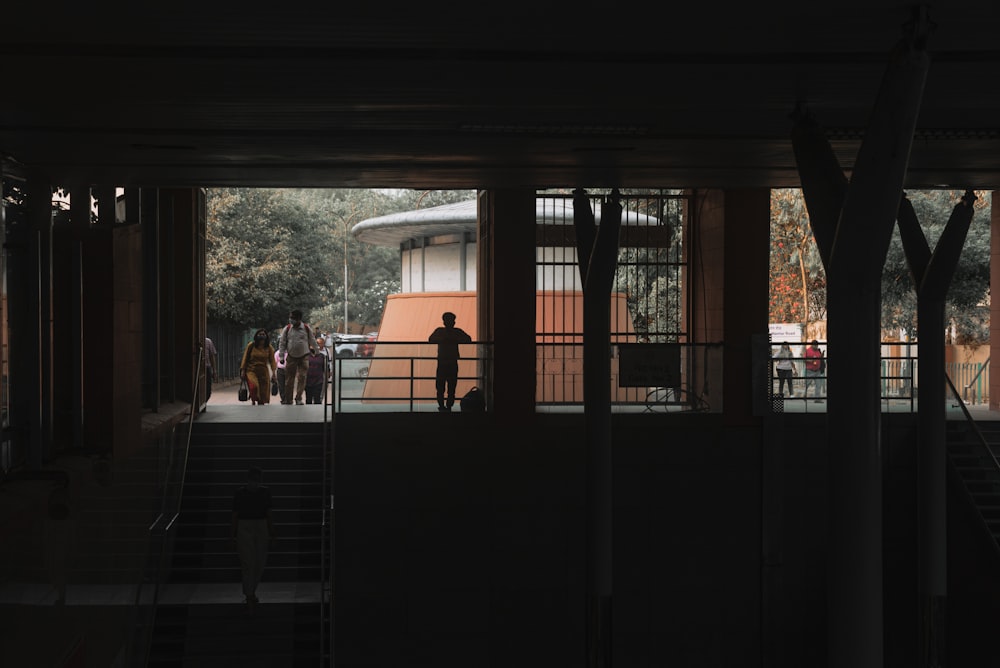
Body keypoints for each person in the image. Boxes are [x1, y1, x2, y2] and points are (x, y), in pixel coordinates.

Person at [231, 467, 274, 613]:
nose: (255, 484)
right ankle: (250, 594)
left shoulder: (243, 493)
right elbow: (268, 513)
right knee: (251, 563)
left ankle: (250, 593)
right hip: (254, 524)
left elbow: (235, 514)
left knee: (256, 563)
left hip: (249, 525)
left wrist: (232, 534)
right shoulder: (262, 493)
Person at [428, 311, 472, 412]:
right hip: (452, 362)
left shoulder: (439, 331)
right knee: (451, 385)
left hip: (442, 362)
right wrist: (454, 339)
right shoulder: (456, 332)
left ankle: (442, 406)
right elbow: (468, 339)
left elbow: (430, 339)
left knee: (441, 386)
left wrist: (443, 339)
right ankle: (449, 406)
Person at [278, 309, 317, 405]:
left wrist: (317, 351)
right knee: (289, 380)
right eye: (290, 318)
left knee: (302, 378)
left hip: (304, 356)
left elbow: (312, 340)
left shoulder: (306, 328)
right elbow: (282, 343)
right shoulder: (287, 329)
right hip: (291, 356)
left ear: (299, 319)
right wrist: (281, 357)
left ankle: (298, 398)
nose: (291, 320)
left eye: (293, 318)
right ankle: (288, 399)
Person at [239, 329, 278, 406]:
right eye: (259, 334)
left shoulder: (269, 347)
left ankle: (260, 403)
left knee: (263, 391)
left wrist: (273, 373)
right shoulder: (251, 345)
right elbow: (245, 358)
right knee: (254, 386)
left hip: (263, 372)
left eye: (263, 334)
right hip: (251, 370)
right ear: (256, 336)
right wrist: (243, 370)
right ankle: (253, 399)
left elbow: (272, 361)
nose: (261, 336)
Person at [205, 336, 218, 402]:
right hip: (200, 367)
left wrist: (214, 371)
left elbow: (212, 357)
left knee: (208, 389)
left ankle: (204, 401)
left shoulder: (208, 341)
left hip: (207, 367)